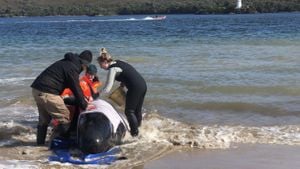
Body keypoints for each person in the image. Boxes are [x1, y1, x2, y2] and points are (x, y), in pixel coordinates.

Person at [31, 50, 93, 145]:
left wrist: (79, 99)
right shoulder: (72, 68)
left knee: (44, 120)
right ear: (84, 64)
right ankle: (58, 144)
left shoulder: (66, 62)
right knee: (65, 118)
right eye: (86, 67)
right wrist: (84, 105)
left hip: (37, 90)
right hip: (48, 92)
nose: (84, 70)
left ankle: (39, 145)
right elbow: (76, 88)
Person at [97, 48, 147, 137]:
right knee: (137, 110)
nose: (101, 67)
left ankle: (134, 135)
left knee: (129, 111)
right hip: (143, 85)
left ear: (105, 62)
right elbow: (128, 72)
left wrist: (97, 95)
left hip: (134, 88)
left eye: (100, 65)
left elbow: (107, 88)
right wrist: (123, 84)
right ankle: (139, 129)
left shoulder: (112, 69)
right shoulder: (119, 61)